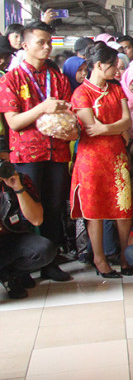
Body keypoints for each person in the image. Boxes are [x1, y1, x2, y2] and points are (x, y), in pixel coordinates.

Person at [0, 20, 74, 282]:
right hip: (27, 154)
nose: (46, 47)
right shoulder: (12, 78)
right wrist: (42, 107)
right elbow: (14, 122)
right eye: (40, 42)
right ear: (24, 44)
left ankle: (51, 262)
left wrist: (68, 129)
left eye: (49, 42)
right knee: (29, 208)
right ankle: (26, 264)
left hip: (57, 151)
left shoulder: (58, 78)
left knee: (55, 207)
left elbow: (68, 114)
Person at [71, 42, 133, 278]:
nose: (117, 72)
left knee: (123, 208)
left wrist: (109, 127)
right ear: (98, 65)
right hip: (91, 160)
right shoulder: (81, 93)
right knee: (94, 211)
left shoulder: (116, 89)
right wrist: (115, 129)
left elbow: (127, 121)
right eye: (113, 67)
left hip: (117, 157)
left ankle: (127, 255)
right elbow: (90, 128)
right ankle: (99, 258)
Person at [0, 163, 58, 299]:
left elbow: (37, 220)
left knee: (44, 250)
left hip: (13, 238)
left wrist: (18, 189)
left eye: (3, 159)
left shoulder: (21, 179)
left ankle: (11, 274)